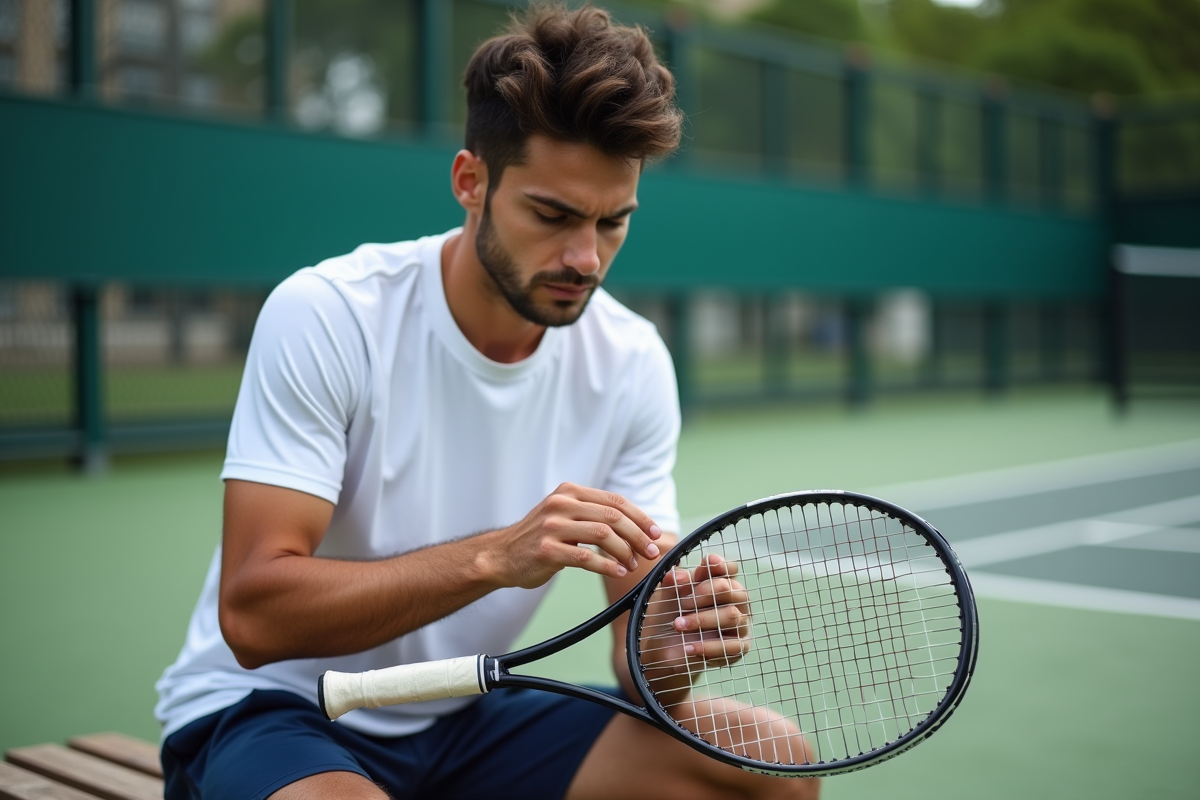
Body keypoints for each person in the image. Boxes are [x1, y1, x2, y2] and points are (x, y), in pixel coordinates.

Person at [155, 4, 819, 799]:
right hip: (275, 711)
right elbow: (256, 617)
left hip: (466, 716)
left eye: (614, 222)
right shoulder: (329, 313)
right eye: (552, 214)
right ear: (472, 182)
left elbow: (637, 665)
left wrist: (666, 660)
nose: (585, 256)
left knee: (771, 765)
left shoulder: (633, 361)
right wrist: (494, 557)